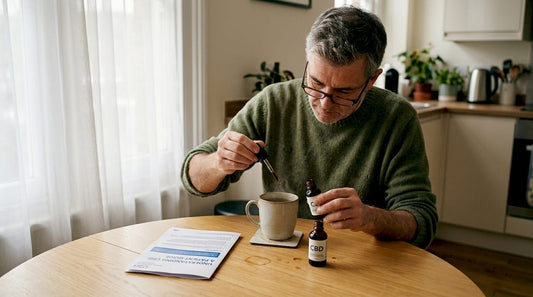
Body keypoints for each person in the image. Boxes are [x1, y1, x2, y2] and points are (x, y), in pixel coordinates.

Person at [180, 6, 438, 248]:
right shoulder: (274, 102)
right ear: (307, 61)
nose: (325, 104)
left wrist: (370, 217)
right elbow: (192, 178)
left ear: (372, 80)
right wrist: (218, 162)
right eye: (315, 82)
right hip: (284, 255)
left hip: (364, 263)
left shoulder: (397, 117)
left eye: (344, 91)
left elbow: (422, 222)